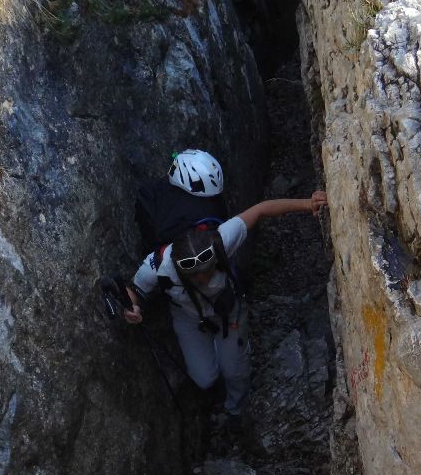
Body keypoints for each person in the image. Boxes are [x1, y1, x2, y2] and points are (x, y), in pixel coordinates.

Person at [124, 151, 327, 422]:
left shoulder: (221, 239)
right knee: (205, 379)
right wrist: (132, 308)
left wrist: (308, 203)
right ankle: (220, 381)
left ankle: (235, 410)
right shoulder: (160, 264)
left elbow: (261, 209)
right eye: (197, 276)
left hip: (227, 309)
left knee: (235, 371)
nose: (204, 279)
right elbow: (134, 290)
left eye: (208, 273)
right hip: (188, 318)